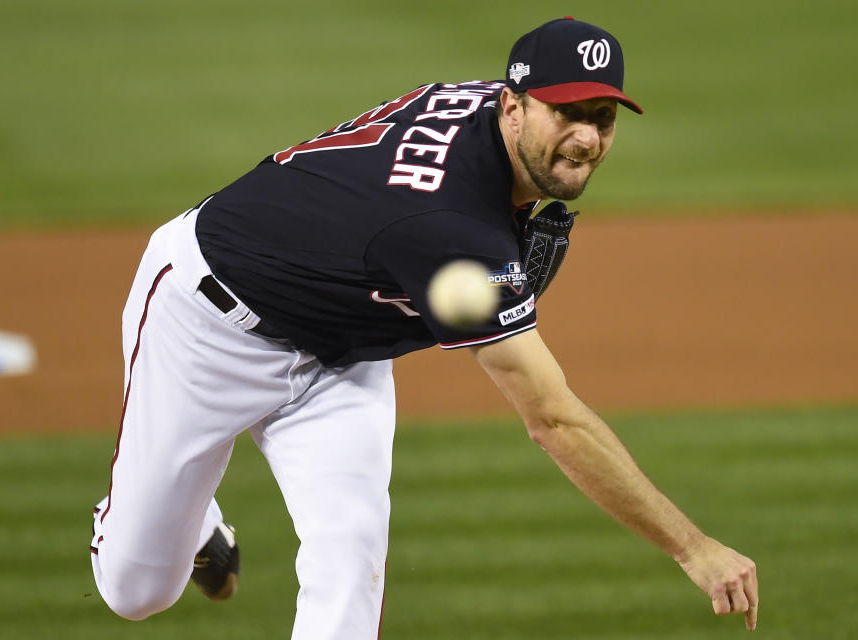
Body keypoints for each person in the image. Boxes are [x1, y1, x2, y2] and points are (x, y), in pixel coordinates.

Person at [89, 16, 759, 638]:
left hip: (344, 351)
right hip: (207, 326)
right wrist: (692, 547)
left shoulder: (482, 116)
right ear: (514, 104)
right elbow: (552, 418)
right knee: (137, 592)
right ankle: (191, 521)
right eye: (568, 113)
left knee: (350, 548)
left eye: (602, 117)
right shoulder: (451, 235)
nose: (586, 136)